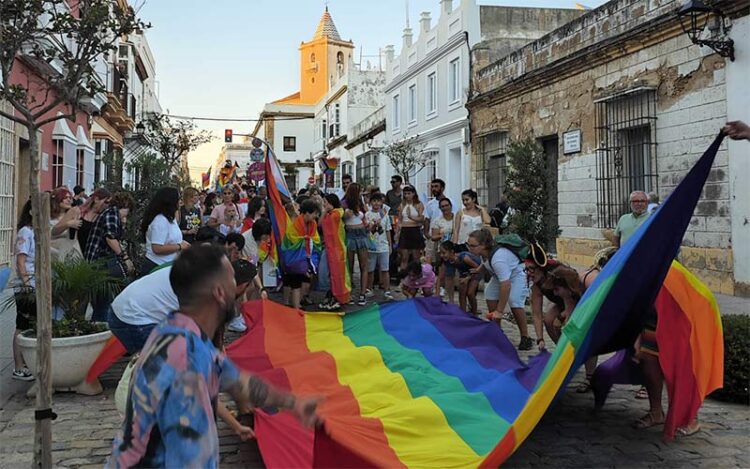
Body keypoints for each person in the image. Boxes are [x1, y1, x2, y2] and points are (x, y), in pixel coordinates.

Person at [108, 244, 319, 468]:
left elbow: (238, 381)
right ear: (219, 293)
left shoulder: (181, 332)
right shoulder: (185, 367)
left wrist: (293, 403)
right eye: (233, 282)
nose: (239, 292)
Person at [467, 229, 533, 350]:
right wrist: (478, 270)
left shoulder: (498, 258)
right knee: (490, 293)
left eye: (472, 246)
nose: (469, 248)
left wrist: (499, 311)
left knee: (515, 301)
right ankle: (497, 333)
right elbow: (486, 262)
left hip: (517, 274)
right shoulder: (484, 254)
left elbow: (506, 285)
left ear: (483, 245)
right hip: (501, 276)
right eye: (468, 245)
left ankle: (526, 337)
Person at [84, 192, 135, 321]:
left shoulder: (108, 213)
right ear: (125, 206)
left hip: (98, 262)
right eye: (127, 212)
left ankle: (100, 325)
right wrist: (125, 258)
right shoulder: (112, 213)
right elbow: (110, 237)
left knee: (104, 301)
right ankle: (100, 327)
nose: (126, 216)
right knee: (104, 301)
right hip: (101, 263)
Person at [141, 187, 189, 275]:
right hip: (157, 266)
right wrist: (179, 246)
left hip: (167, 265)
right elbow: (157, 248)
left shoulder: (170, 218)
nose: (180, 202)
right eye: (178, 199)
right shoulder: (160, 221)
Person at [283, 199, 321, 310]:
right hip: (293, 258)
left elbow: (316, 239)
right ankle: (295, 307)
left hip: (304, 258)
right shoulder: (295, 225)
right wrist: (305, 239)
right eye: (315, 213)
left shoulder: (312, 224)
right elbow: (292, 240)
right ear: (307, 213)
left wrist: (307, 239)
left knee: (297, 282)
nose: (316, 216)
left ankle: (294, 304)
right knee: (294, 282)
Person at [11, 200, 34, 381]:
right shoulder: (26, 232)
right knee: (22, 325)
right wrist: (26, 284)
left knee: (30, 325)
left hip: (35, 284)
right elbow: (21, 261)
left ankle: (27, 364)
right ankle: (19, 366)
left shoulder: (35, 232)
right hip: (26, 286)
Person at [343, 183, 371, 306]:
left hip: (361, 233)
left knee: (363, 265)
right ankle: (349, 293)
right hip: (350, 234)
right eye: (360, 191)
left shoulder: (361, 204)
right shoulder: (344, 204)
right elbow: (341, 219)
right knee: (348, 266)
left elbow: (365, 219)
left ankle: (362, 293)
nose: (362, 193)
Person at [439, 241, 482, 316]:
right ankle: (463, 314)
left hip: (477, 270)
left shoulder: (464, 257)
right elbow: (443, 278)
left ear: (452, 252)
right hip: (465, 272)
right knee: (461, 292)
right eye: (441, 253)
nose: (442, 255)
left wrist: (468, 278)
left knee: (470, 293)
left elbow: (478, 269)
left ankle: (474, 313)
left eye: (444, 253)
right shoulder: (448, 262)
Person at [365, 193, 393, 300]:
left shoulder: (385, 215)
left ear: (382, 203)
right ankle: (369, 288)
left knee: (385, 269)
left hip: (383, 246)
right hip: (371, 246)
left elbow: (388, 231)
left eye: (378, 201)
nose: (376, 203)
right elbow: (368, 231)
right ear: (370, 202)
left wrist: (390, 245)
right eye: (374, 201)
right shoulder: (367, 215)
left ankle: (387, 290)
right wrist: (374, 225)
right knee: (370, 269)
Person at [429, 197, 455, 296]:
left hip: (455, 248)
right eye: (442, 206)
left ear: (451, 206)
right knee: (442, 273)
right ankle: (438, 292)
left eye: (446, 205)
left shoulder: (456, 218)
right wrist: (441, 235)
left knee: (452, 274)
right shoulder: (438, 221)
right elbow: (433, 237)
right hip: (443, 249)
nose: (445, 208)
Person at [397, 185, 425, 274]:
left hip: (414, 229)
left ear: (413, 194)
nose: (407, 196)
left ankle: (418, 276)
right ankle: (402, 278)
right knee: (404, 257)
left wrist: (411, 217)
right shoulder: (402, 205)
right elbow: (400, 219)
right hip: (405, 230)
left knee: (416, 256)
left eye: (409, 193)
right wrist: (397, 232)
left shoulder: (419, 204)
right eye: (405, 194)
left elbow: (421, 218)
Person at [49, 187, 83, 262]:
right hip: (52, 252)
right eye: (65, 198)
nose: (69, 200)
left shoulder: (73, 215)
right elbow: (49, 234)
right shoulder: (48, 217)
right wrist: (67, 224)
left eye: (70, 198)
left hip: (69, 253)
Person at [76, 188, 111, 253]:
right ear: (96, 199)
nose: (107, 205)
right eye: (106, 202)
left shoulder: (104, 217)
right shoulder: (78, 211)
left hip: (92, 255)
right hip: (76, 254)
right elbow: (54, 231)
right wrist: (68, 224)